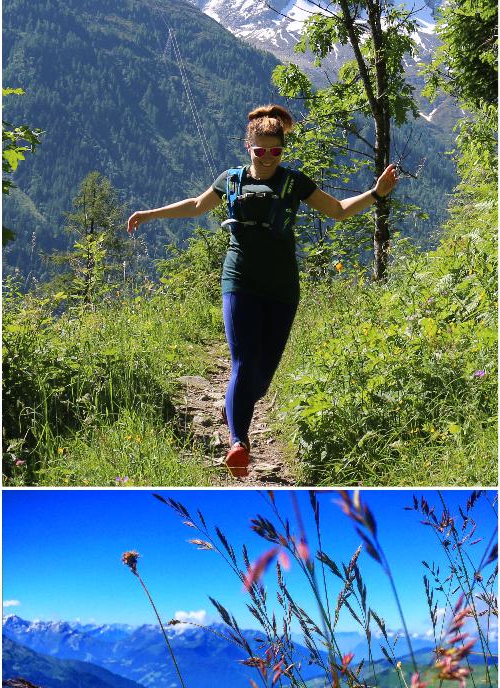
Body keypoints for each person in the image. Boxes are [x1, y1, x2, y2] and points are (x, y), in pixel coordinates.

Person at [125, 104, 399, 478]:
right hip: (238, 282)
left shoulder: (293, 182)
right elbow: (194, 206)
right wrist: (149, 214)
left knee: (264, 374)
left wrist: (376, 194)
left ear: (282, 151)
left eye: (275, 151)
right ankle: (239, 442)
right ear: (248, 146)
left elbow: (337, 210)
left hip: (283, 288)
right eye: (260, 150)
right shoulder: (231, 180)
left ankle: (233, 406)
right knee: (243, 361)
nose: (268, 157)